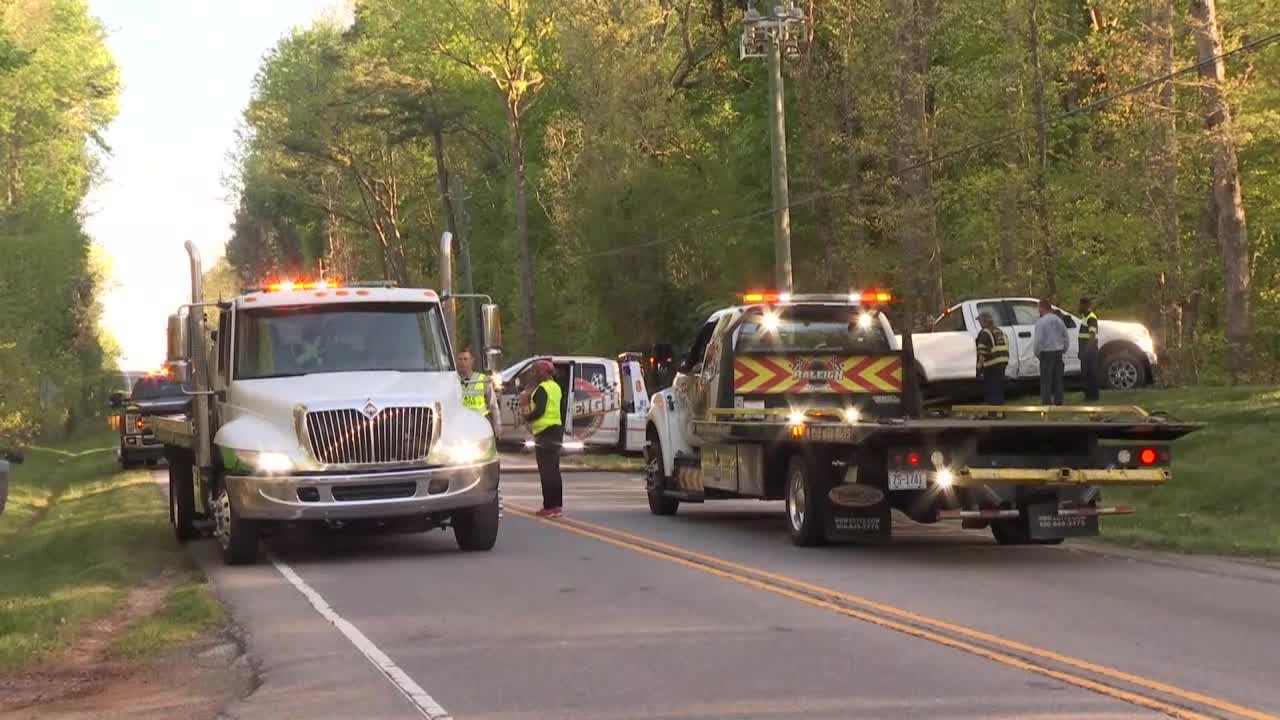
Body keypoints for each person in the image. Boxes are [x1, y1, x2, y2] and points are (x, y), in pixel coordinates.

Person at [521, 360, 565, 518]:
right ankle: (557, 506)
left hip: (544, 432)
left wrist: (527, 417)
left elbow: (539, 410)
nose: (533, 375)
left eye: (535, 371)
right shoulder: (556, 387)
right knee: (554, 470)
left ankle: (548, 507)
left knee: (546, 471)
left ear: (542, 372)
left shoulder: (541, 389)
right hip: (556, 430)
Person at [1033, 299, 1068, 406]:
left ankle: (1046, 402)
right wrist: (1064, 349)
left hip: (1046, 352)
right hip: (1058, 352)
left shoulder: (1041, 322)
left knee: (1046, 380)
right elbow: (1065, 336)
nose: (1038, 310)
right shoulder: (1059, 320)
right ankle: (1059, 401)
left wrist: (1037, 352)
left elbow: (1038, 340)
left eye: (1039, 308)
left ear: (1043, 308)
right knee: (1058, 379)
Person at [457, 348, 498, 434]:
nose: (462, 362)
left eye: (465, 359)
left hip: (481, 422)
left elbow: (493, 405)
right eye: (460, 359)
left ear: (472, 361)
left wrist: (497, 426)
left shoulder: (482, 379)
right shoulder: (453, 381)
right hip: (461, 424)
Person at [974, 312, 1009, 405]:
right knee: (999, 388)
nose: (979, 323)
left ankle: (993, 410)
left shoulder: (984, 333)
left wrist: (978, 367)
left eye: (980, 321)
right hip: (1003, 362)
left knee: (991, 389)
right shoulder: (1000, 331)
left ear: (985, 321)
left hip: (992, 364)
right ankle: (1000, 409)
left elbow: (982, 352)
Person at [1077, 297, 1101, 402]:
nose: (1078, 307)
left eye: (1080, 305)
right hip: (1086, 351)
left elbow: (1092, 335)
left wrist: (1086, 351)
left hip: (1090, 351)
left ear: (1085, 305)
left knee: (1091, 374)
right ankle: (1088, 395)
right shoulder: (1085, 317)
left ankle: (1093, 396)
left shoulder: (1091, 318)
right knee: (1086, 374)